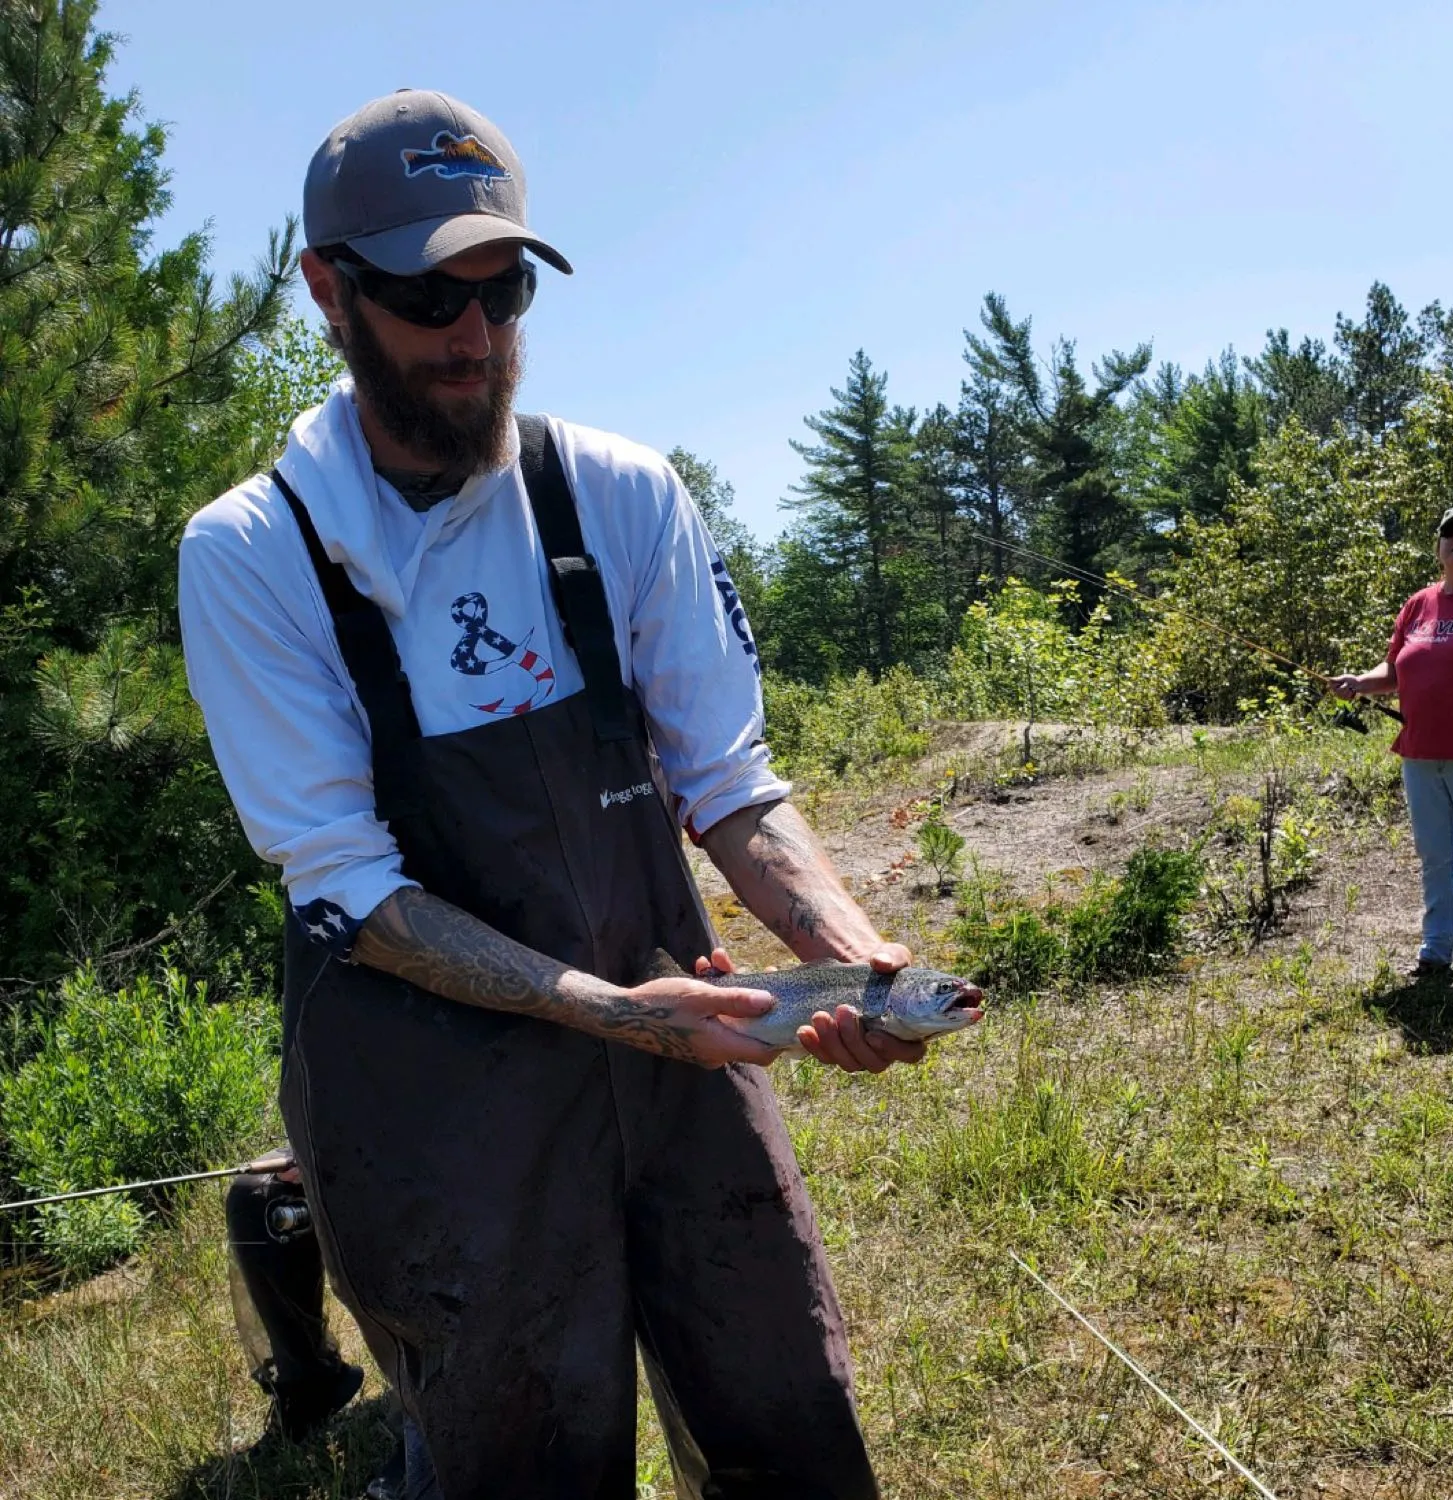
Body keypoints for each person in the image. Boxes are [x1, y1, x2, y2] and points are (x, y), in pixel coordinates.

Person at [179, 89, 931, 1499]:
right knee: (518, 1453)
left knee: (786, 1407)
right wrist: (604, 1011)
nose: (475, 337)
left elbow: (729, 781)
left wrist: (850, 956)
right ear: (328, 290)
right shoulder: (256, 555)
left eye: (504, 287)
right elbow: (344, 881)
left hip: (683, 1049)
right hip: (432, 1099)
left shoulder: (621, 495)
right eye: (426, 294)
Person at [1332, 500, 1453, 983]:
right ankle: (1436, 951)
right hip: (1421, 753)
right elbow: (1395, 668)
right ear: (1439, 545)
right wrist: (1360, 682)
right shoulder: (1418, 604)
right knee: (1434, 855)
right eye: (1451, 531)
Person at [226, 1148, 415, 1498]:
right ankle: (310, 1383)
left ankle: (434, 1428)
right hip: (376, 1138)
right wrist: (311, 1143)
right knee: (257, 1195)